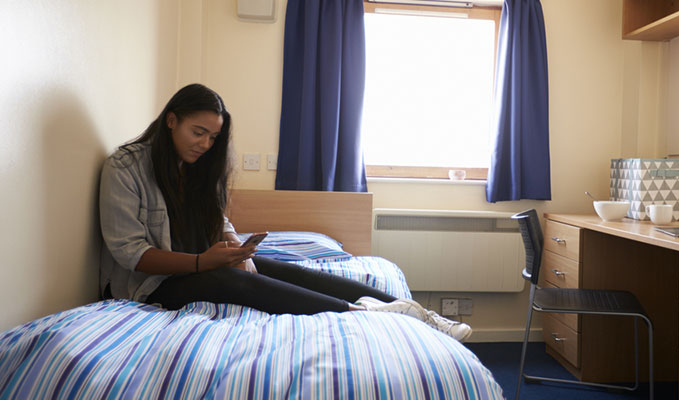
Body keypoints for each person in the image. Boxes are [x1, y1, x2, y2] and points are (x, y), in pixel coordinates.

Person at [98, 83, 471, 341]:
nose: (205, 145)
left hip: (206, 261)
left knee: (289, 271)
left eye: (213, 138)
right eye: (198, 132)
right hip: (155, 286)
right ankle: (365, 315)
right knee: (237, 282)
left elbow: (219, 219)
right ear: (171, 120)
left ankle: (420, 314)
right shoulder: (125, 168)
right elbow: (132, 254)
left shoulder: (196, 166)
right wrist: (202, 262)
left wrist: (232, 246)